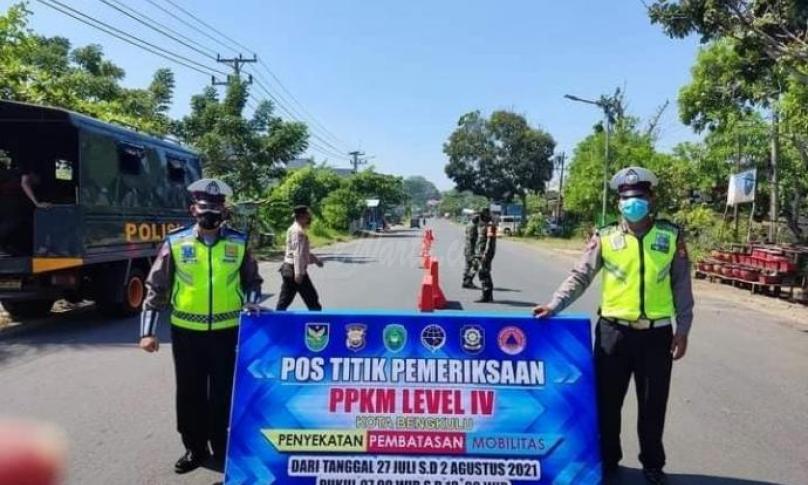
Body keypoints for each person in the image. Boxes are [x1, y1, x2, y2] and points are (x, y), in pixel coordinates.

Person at [533, 166, 694, 485]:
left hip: (657, 334)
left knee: (653, 405)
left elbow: (681, 286)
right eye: (627, 198)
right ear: (619, 202)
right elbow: (580, 276)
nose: (633, 203)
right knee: (607, 403)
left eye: (639, 197)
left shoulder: (670, 236)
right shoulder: (605, 237)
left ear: (651, 199)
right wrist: (554, 304)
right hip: (613, 333)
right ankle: (608, 459)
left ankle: (653, 464)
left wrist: (683, 329)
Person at [138, 178, 263, 474]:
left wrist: (252, 302)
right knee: (190, 393)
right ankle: (194, 448)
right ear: (193, 209)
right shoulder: (176, 242)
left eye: (216, 210)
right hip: (187, 333)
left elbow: (252, 281)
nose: (210, 215)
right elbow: (156, 286)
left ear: (225, 212)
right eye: (205, 208)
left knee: (224, 393)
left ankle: (223, 447)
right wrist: (147, 332)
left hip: (228, 332)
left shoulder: (238, 242)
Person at [276, 205, 324, 311]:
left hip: (290, 269)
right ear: (303, 216)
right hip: (294, 269)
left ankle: (277, 318)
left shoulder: (295, 229)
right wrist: (298, 273)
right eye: (308, 216)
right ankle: (317, 320)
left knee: (284, 301)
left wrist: (315, 260)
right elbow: (297, 253)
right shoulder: (297, 231)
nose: (309, 218)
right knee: (312, 300)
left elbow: (302, 252)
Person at [475, 208, 497, 302]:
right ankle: (488, 295)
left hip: (486, 253)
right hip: (483, 252)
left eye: (482, 215)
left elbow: (489, 241)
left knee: (483, 272)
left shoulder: (490, 226)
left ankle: (486, 295)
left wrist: (485, 254)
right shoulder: (486, 225)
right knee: (484, 272)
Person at [462, 214, 480, 288]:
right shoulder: (473, 226)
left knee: (468, 266)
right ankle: (469, 281)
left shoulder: (469, 224)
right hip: (471, 249)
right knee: (475, 265)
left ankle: (465, 281)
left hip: (467, 248)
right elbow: (472, 239)